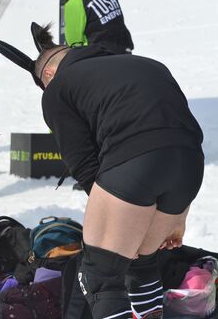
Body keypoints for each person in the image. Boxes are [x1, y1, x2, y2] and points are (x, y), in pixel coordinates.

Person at [30, 23, 203, 319]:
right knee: (142, 262)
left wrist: (115, 213)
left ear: (47, 74)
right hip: (190, 166)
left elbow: (83, 162)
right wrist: (179, 213)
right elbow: (175, 131)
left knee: (100, 278)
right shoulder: (147, 64)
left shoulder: (58, 87)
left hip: (135, 164)